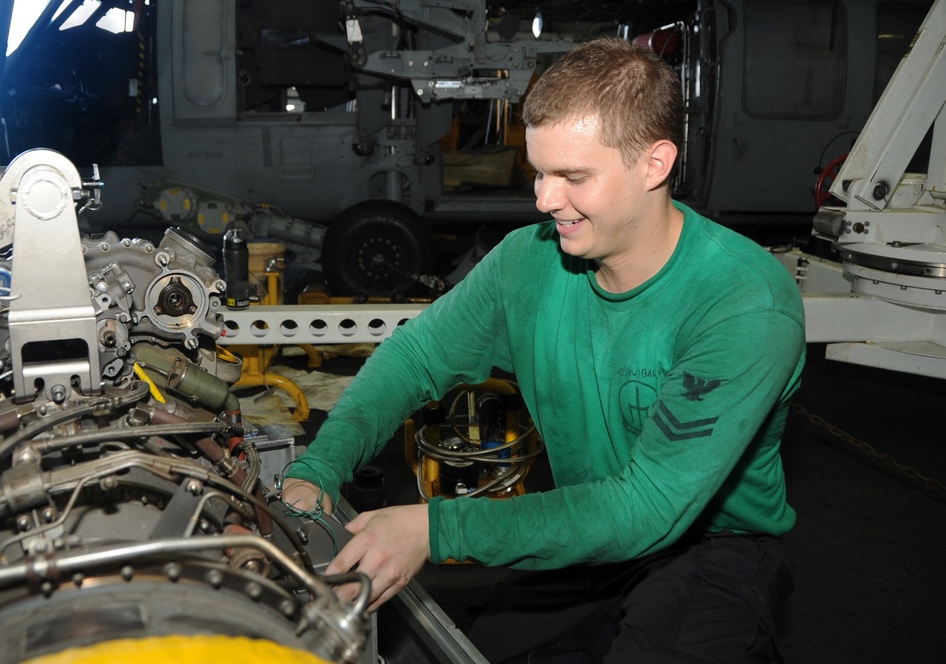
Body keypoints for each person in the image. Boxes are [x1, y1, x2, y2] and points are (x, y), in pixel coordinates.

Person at [281, 37, 806, 662]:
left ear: (655, 164)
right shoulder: (527, 262)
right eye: (540, 171)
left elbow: (649, 507)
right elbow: (413, 359)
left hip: (711, 546)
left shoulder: (742, 303)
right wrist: (316, 470)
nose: (544, 200)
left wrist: (436, 528)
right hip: (587, 522)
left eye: (573, 177)